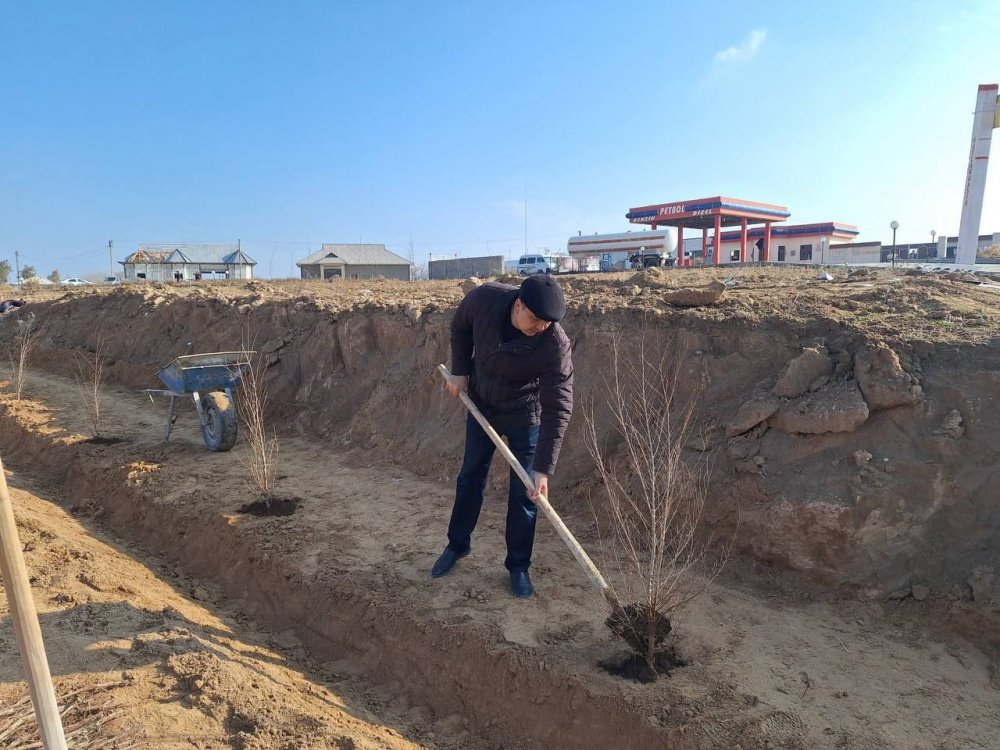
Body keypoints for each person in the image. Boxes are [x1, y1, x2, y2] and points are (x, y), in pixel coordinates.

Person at [433, 275, 574, 598]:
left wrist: (543, 467)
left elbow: (559, 405)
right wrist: (460, 371)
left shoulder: (554, 344)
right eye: (535, 319)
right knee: (470, 477)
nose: (541, 327)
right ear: (519, 304)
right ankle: (457, 545)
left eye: (547, 323)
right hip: (482, 404)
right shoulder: (485, 299)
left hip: (526, 415)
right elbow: (460, 326)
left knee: (526, 493)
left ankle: (518, 567)